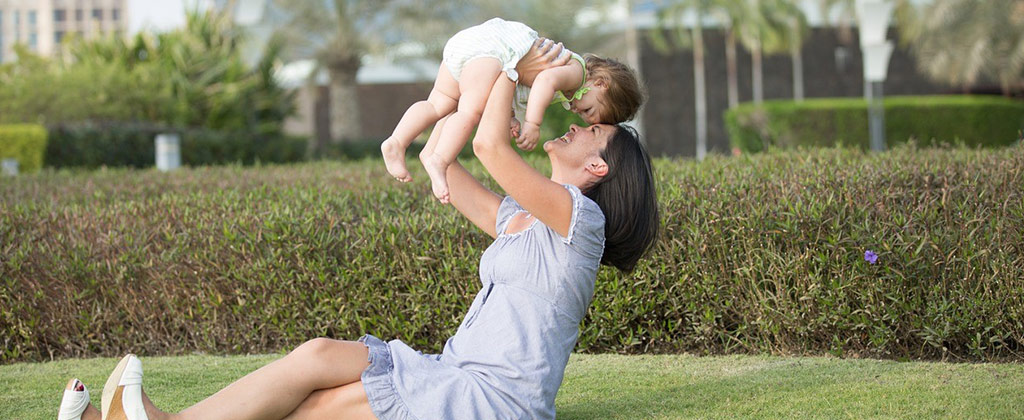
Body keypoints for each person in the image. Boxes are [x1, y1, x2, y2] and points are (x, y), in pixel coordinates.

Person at [56, 41, 659, 420]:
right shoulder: (522, 219)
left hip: (493, 402)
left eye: (593, 133)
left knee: (329, 407)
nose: (578, 125)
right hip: (452, 372)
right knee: (317, 357)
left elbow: (489, 146)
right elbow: (447, 164)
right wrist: (470, 87)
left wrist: (508, 56)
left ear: (598, 168)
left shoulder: (582, 222)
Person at [380, 17, 644, 204]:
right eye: (589, 111)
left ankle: (396, 141)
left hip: (472, 47)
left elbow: (516, 84)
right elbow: (542, 80)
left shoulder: (569, 83)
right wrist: (532, 123)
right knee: (470, 112)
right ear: (601, 83)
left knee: (438, 103)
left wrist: (510, 117)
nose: (578, 114)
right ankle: (439, 159)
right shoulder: (577, 73)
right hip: (494, 51)